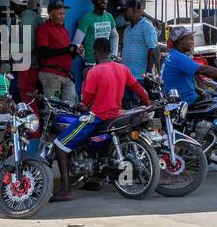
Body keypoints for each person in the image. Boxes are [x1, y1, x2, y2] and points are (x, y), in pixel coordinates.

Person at [49, 37, 150, 202]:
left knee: (60, 145)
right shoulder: (122, 68)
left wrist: (82, 105)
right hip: (117, 115)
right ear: (110, 52)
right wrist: (148, 103)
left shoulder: (94, 72)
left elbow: (86, 101)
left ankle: (66, 190)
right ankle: (92, 179)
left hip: (97, 116)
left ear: (95, 52)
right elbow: (140, 90)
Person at [164, 26, 217, 171]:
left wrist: (200, 91)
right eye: (189, 38)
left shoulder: (176, 55)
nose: (192, 41)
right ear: (179, 42)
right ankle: (205, 153)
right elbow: (203, 69)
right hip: (184, 102)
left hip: (187, 97)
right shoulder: (178, 57)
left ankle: (207, 150)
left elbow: (184, 80)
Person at [36, 1, 77, 105]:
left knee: (71, 107)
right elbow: (44, 52)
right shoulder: (44, 28)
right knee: (51, 109)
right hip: (51, 74)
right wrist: (68, 49)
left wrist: (75, 51)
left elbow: (68, 54)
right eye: (60, 13)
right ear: (50, 14)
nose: (62, 16)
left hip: (66, 74)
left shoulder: (64, 30)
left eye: (64, 14)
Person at [74, 0, 118, 75]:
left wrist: (113, 55)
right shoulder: (86, 19)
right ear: (93, 1)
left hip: (107, 63)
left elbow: (115, 36)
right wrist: (86, 56)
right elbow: (76, 43)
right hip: (91, 65)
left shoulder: (109, 16)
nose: (104, 1)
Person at [10, 0, 41, 105]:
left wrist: (9, 48)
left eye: (13, 5)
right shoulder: (31, 16)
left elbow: (29, 46)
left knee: (28, 99)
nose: (12, 8)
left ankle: (33, 122)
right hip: (31, 64)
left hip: (29, 65)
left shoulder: (27, 18)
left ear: (17, 5)